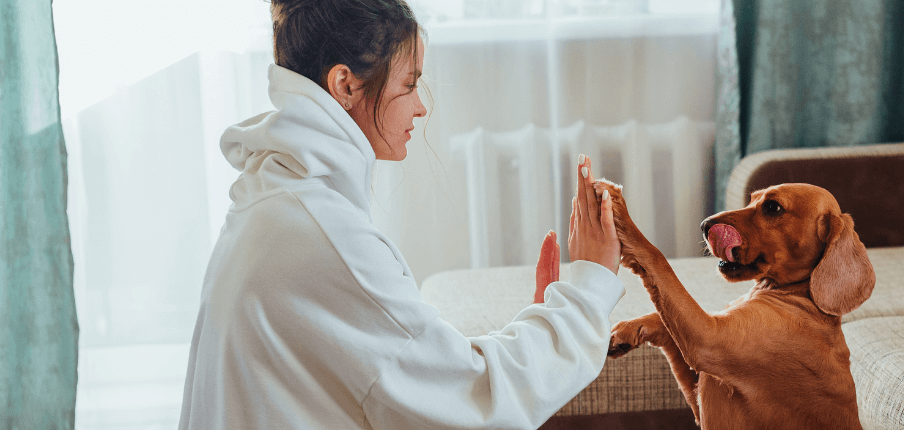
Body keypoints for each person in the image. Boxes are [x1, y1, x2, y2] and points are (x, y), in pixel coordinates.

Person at [178, 1, 624, 428]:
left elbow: (422, 372)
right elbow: (477, 402)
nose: (420, 105)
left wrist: (542, 325)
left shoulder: (278, 195)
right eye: (409, 84)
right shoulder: (321, 233)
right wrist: (590, 284)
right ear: (345, 85)